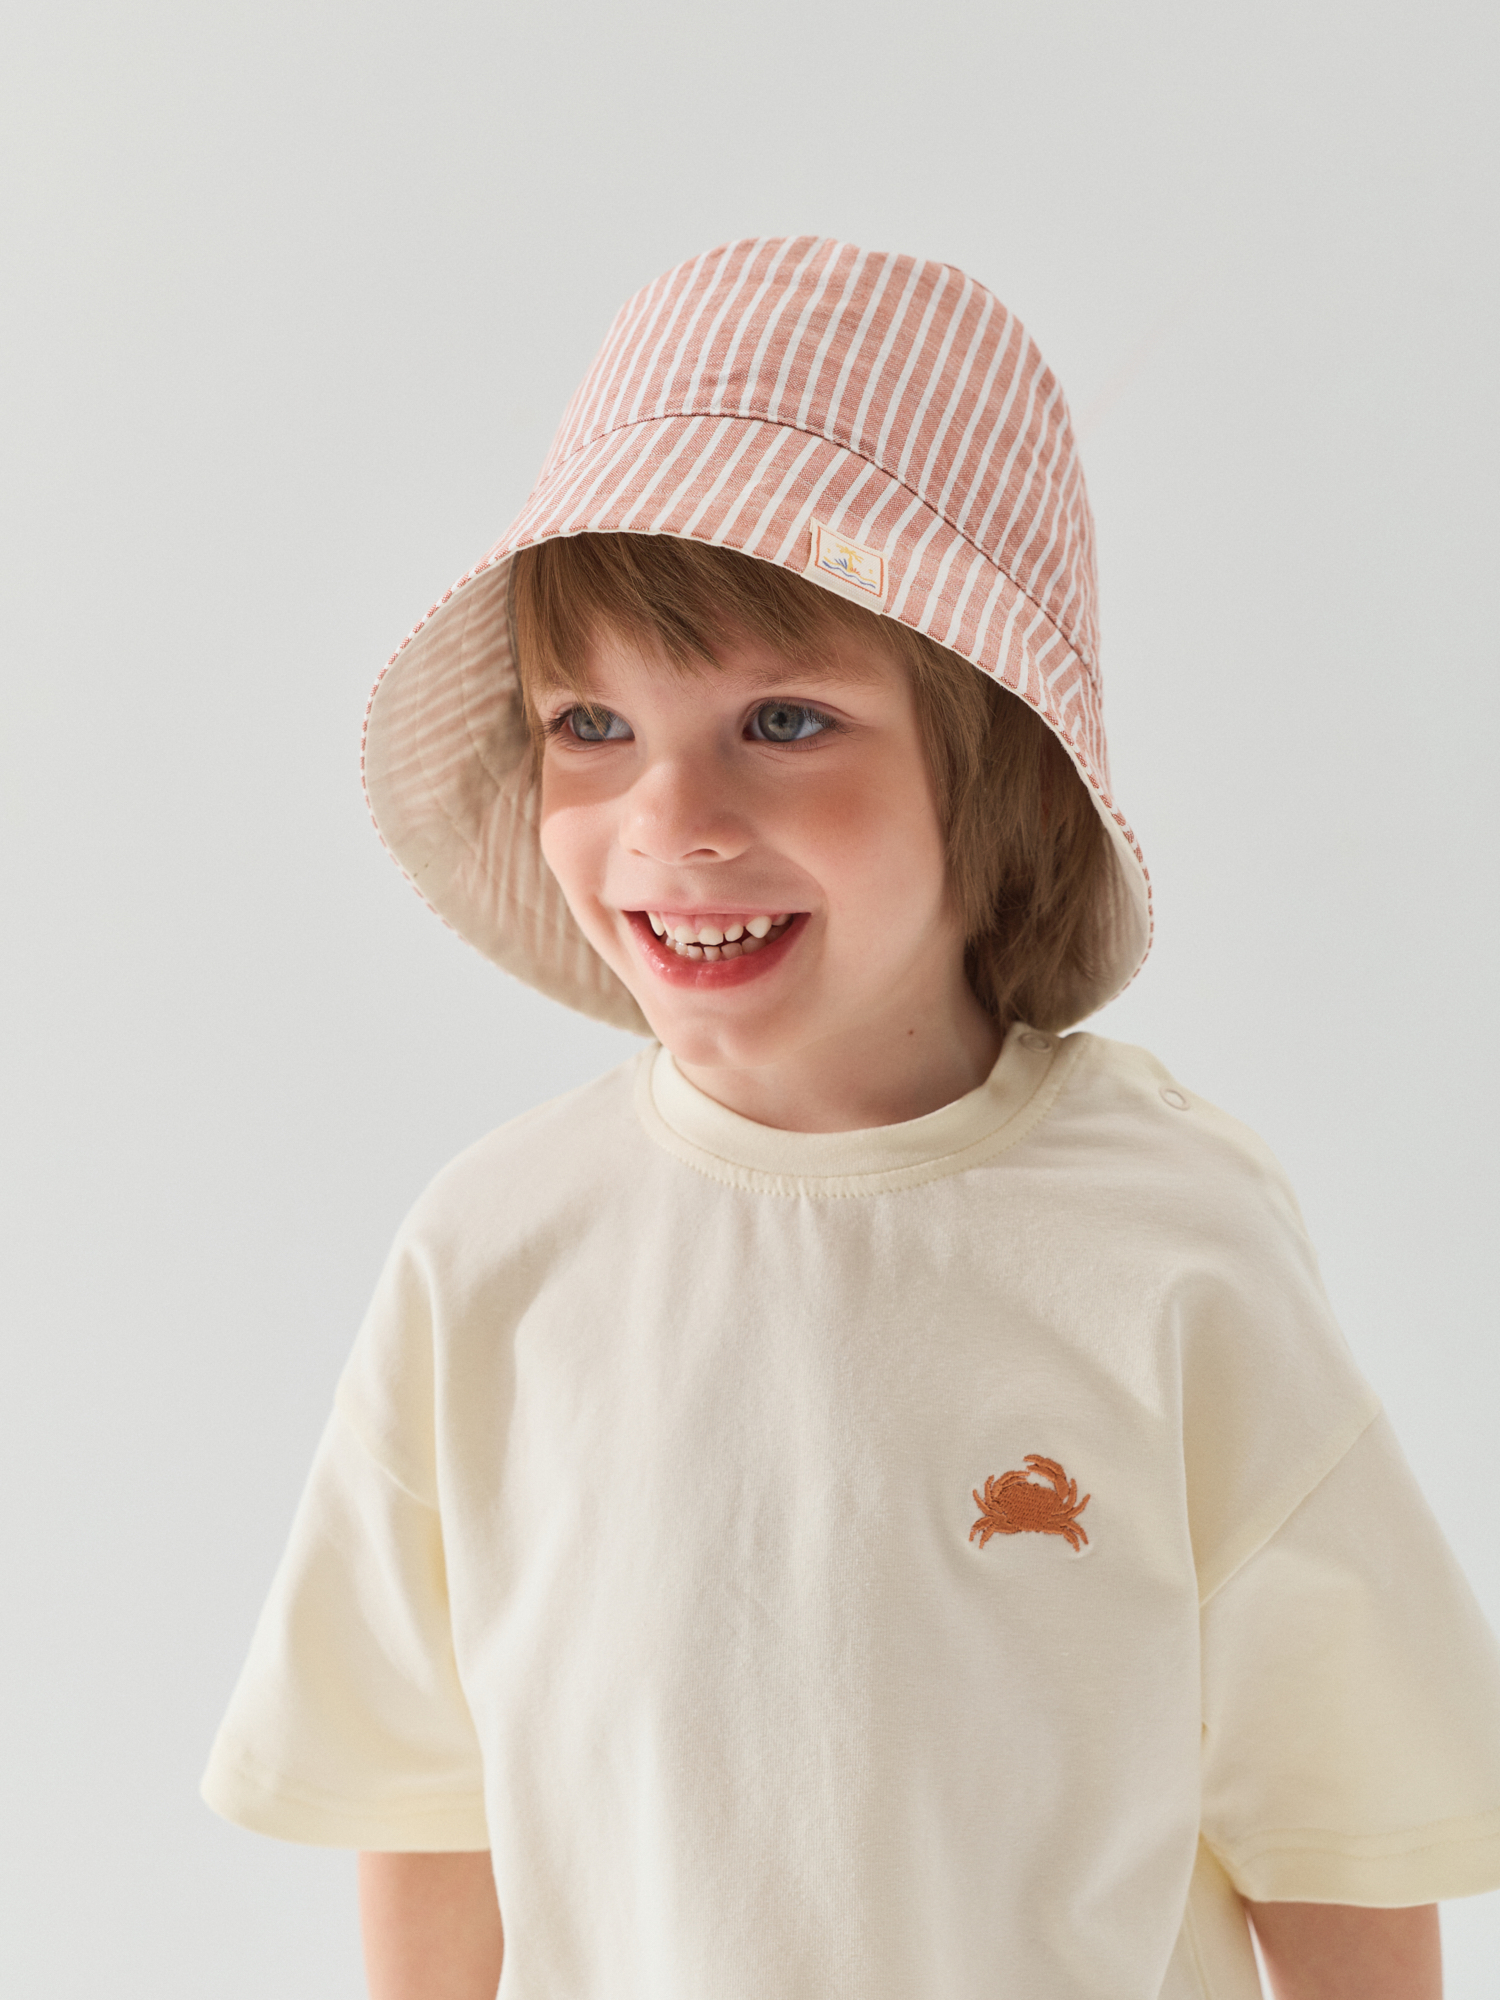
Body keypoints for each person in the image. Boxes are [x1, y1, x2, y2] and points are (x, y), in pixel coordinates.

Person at [202, 238, 1500, 2000]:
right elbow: (428, 1798)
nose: (670, 818)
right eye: (591, 723)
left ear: (996, 762)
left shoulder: (1167, 1243)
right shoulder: (496, 1257)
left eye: (784, 719)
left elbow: (1333, 1815)